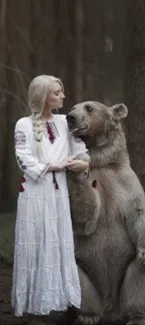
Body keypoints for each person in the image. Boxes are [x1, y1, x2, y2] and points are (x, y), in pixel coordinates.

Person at [11, 75, 89, 321]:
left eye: (62, 91)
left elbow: (81, 152)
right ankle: (36, 306)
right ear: (44, 97)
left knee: (58, 241)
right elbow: (23, 157)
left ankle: (63, 301)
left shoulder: (66, 122)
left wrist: (79, 163)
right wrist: (53, 167)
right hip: (35, 195)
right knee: (37, 241)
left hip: (59, 196)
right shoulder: (23, 124)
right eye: (57, 93)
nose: (62, 97)